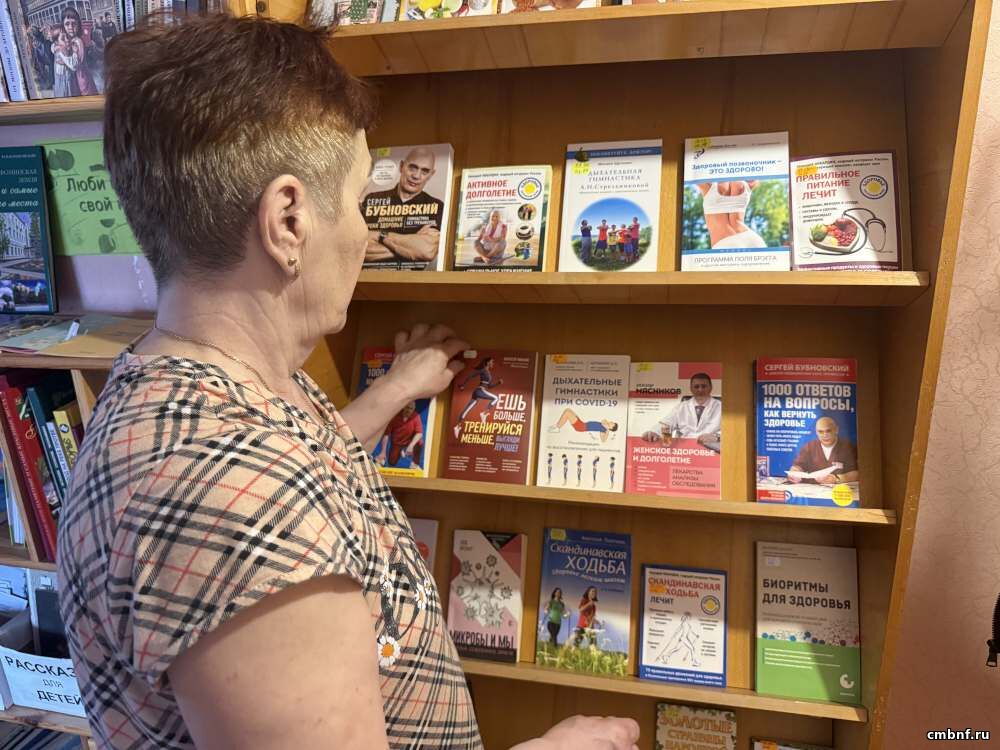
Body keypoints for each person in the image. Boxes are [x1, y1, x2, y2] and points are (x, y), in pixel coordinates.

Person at [57, 15, 639, 750]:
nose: (366, 231)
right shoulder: (231, 506)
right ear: (288, 222)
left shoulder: (213, 377)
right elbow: (263, 502)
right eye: (362, 199)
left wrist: (394, 390)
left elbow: (305, 457)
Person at [362, 146, 444, 268]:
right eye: (412, 167)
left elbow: (426, 250)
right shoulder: (372, 199)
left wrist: (379, 235)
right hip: (372, 276)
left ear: (431, 175)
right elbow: (359, 247)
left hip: (413, 279)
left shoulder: (436, 206)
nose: (416, 176)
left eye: (424, 171)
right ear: (401, 166)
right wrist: (411, 247)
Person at [641, 372, 721, 452]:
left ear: (710, 387)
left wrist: (717, 437)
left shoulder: (721, 407)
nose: (700, 389)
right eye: (696, 386)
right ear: (691, 389)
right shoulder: (681, 407)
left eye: (704, 386)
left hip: (710, 449)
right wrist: (655, 432)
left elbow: (727, 430)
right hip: (686, 450)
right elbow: (667, 423)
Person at [696, 180, 766, 249]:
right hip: (753, 240)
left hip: (725, 243)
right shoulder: (745, 184)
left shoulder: (709, 185)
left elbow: (694, 175)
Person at [789, 416, 859, 484]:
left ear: (836, 430)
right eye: (820, 432)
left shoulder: (848, 447)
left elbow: (857, 473)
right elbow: (798, 466)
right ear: (816, 432)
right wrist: (794, 472)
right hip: (813, 488)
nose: (825, 435)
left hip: (839, 489)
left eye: (828, 431)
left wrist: (837, 479)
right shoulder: (809, 447)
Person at [453, 356, 503, 438]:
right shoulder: (483, 370)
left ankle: (457, 427)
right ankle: (484, 413)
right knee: (496, 398)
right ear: (488, 362)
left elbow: (489, 386)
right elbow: (470, 376)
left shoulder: (488, 372)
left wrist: (498, 383)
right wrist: (463, 385)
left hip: (477, 392)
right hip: (480, 391)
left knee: (466, 410)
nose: (493, 363)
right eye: (492, 362)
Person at [374, 400, 424, 468]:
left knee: (419, 442)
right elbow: (386, 435)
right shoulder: (394, 416)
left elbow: (419, 433)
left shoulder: (416, 416)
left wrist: (411, 445)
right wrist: (383, 452)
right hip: (397, 443)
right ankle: (399, 452)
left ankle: (415, 464)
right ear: (403, 407)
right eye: (407, 407)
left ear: (414, 408)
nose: (409, 410)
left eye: (411, 408)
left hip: (409, 442)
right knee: (391, 462)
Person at [61, 8, 98, 96]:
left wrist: (64, 57)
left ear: (78, 25)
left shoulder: (78, 41)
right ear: (63, 26)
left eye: (74, 24)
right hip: (76, 78)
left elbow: (75, 66)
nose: (71, 27)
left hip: (82, 78)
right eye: (67, 24)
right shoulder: (70, 40)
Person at [549, 406, 618, 442]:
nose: (612, 422)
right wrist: (607, 426)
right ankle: (557, 426)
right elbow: (603, 421)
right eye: (613, 422)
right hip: (583, 424)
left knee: (567, 413)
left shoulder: (605, 430)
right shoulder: (605, 424)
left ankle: (557, 428)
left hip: (581, 427)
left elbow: (603, 440)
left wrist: (607, 432)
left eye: (613, 423)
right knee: (568, 410)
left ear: (612, 428)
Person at [51, 29, 80, 99]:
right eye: (63, 38)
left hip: (67, 80)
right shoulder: (61, 50)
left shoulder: (60, 47)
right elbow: (73, 66)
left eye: (67, 36)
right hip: (64, 82)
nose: (67, 40)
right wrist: (75, 52)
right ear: (57, 42)